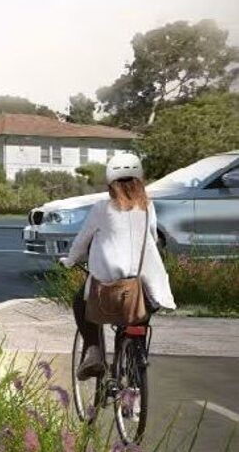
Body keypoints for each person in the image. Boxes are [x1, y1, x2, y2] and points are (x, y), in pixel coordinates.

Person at [61, 153, 176, 380]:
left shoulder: (102, 208)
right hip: (141, 293)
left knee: (80, 302)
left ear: (110, 183)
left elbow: (82, 241)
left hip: (107, 293)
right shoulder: (148, 208)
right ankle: (133, 389)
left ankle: (93, 350)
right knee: (135, 328)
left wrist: (70, 260)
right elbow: (151, 238)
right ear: (140, 181)